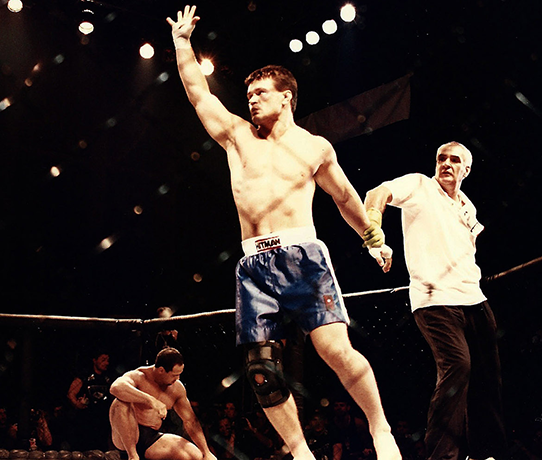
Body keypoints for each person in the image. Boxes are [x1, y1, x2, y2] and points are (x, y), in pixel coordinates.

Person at [166, 6, 399, 460]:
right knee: (261, 372)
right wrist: (181, 44)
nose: (251, 100)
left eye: (260, 93)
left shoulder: (314, 147)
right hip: (253, 264)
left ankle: (381, 429)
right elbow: (198, 94)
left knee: (335, 351)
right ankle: (300, 452)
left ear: (286, 97)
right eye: (248, 94)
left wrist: (374, 240)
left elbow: (346, 198)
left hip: (303, 256)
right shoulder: (237, 136)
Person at [364, 141, 506, 460]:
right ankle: (442, 456)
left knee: (488, 374)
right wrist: (373, 229)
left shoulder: (467, 206)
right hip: (434, 300)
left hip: (473, 297)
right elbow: (377, 192)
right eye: (442, 158)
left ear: (466, 169)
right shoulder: (420, 186)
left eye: (454, 160)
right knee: (458, 364)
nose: (446, 164)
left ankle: (484, 453)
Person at [108, 347, 216, 460]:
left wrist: (206, 452)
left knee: (194, 455)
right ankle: (132, 456)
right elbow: (116, 388)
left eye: (179, 374)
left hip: (150, 437)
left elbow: (190, 421)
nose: (177, 378)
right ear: (161, 370)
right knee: (120, 402)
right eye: (174, 375)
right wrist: (151, 401)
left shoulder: (177, 389)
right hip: (124, 437)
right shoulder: (139, 376)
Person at [67, 349, 115, 451]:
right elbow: (71, 393)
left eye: (107, 360)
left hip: (102, 422)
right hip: (85, 421)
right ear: (95, 360)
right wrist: (76, 404)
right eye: (103, 360)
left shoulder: (108, 378)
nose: (106, 363)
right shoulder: (84, 376)